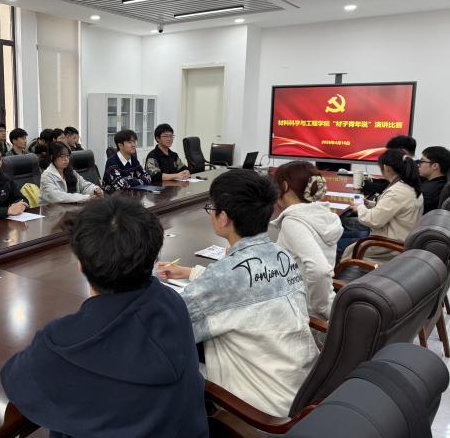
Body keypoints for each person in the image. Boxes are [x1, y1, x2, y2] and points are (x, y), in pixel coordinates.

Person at [1, 196, 208, 437]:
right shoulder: (172, 302)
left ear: (81, 264)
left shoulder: (64, 342)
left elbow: (15, 379)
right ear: (152, 256)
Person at [157, 170, 318, 417]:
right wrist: (190, 272)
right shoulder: (282, 255)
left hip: (263, 411)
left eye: (211, 208)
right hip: (304, 387)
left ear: (223, 218)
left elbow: (168, 324)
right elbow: (246, 285)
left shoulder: (225, 276)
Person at [270, 161, 343, 322]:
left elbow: (319, 270)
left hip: (302, 314)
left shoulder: (293, 222)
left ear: (284, 186)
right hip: (324, 301)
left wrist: (320, 308)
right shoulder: (323, 214)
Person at [339, 149, 424, 263]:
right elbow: (393, 209)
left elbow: (373, 220)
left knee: (337, 244)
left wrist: (359, 207)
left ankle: (338, 270)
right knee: (340, 235)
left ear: (386, 167)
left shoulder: (397, 191)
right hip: (396, 236)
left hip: (387, 245)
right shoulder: (408, 185)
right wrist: (370, 204)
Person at [417, 146, 450, 213]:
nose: (418, 165)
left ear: (435, 166)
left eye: (422, 161)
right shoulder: (443, 183)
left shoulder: (426, 192)